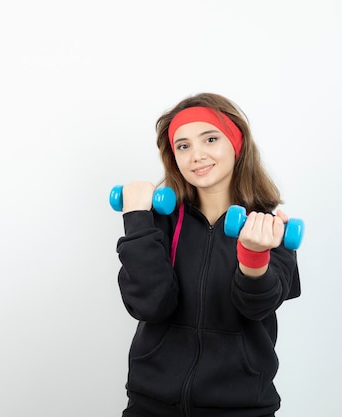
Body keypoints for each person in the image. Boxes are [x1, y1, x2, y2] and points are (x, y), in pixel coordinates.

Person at [115, 92, 301, 417]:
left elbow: (257, 306)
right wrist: (136, 219)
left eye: (210, 139)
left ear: (236, 144)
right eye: (183, 146)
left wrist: (253, 254)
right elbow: (150, 304)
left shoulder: (270, 230)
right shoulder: (157, 224)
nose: (196, 155)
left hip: (241, 409)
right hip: (151, 405)